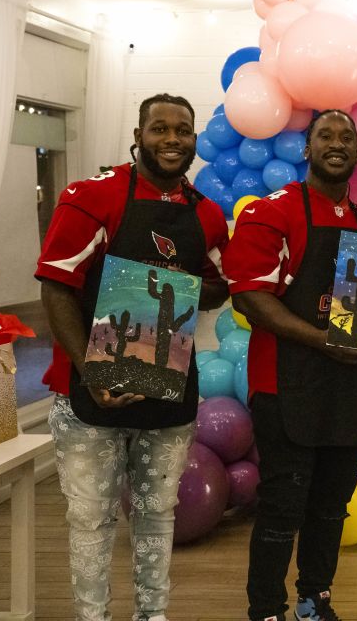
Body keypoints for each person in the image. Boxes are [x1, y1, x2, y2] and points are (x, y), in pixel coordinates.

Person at [36, 93, 229, 621]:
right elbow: (55, 289)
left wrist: (182, 288)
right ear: (138, 135)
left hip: (167, 387)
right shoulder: (91, 198)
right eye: (160, 129)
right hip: (88, 391)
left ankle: (153, 615)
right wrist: (92, 369)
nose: (172, 139)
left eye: (183, 130)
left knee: (156, 515)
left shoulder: (207, 215)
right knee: (92, 519)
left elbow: (217, 288)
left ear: (194, 140)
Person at [223, 110, 357, 621]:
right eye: (325, 136)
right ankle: (267, 608)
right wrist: (321, 339)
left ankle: (316, 599)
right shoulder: (273, 212)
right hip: (284, 387)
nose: (336, 144)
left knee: (330, 507)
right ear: (307, 149)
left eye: (346, 137)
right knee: (280, 509)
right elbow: (250, 297)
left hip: (347, 388)